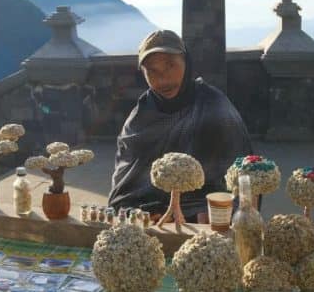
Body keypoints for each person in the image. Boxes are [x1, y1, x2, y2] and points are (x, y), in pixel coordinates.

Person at [108, 29, 252, 221]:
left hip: (203, 213)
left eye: (170, 65)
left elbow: (242, 176)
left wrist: (216, 212)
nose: (163, 78)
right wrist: (142, 212)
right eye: (152, 70)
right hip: (151, 215)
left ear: (187, 62)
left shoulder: (213, 106)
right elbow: (123, 188)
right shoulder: (139, 118)